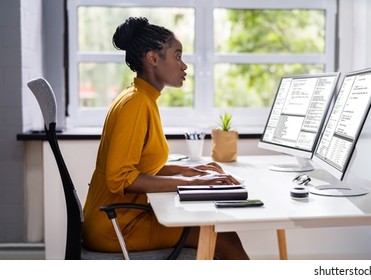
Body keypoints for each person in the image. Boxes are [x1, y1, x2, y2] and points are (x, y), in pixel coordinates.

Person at [82, 17, 249, 260]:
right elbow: (121, 179)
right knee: (225, 238)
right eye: (178, 55)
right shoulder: (136, 103)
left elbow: (139, 166)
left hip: (119, 217)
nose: (184, 66)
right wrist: (191, 184)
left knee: (219, 233)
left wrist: (188, 171)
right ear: (153, 58)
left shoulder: (141, 97)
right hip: (117, 226)